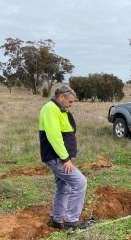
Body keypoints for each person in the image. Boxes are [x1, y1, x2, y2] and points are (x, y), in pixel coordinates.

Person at [39, 86, 88, 230]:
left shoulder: (59, 110)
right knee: (80, 182)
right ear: (61, 97)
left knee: (64, 187)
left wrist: (67, 157)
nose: (71, 105)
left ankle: (56, 219)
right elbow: (54, 137)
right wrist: (65, 159)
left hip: (60, 157)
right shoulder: (50, 109)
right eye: (70, 102)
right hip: (57, 158)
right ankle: (71, 220)